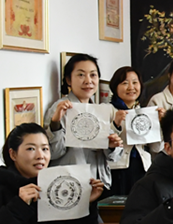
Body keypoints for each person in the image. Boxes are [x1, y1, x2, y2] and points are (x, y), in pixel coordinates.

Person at [44, 53, 123, 190]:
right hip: (71, 186)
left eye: (93, 75)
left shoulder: (98, 110)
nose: (88, 81)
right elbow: (54, 153)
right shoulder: (60, 108)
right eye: (81, 75)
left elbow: (114, 157)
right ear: (68, 80)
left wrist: (111, 145)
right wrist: (55, 123)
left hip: (98, 183)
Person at [106, 66, 152, 197]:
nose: (131, 87)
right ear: (115, 87)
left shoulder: (144, 111)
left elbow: (155, 147)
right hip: (118, 169)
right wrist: (115, 124)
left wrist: (160, 125)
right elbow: (101, 142)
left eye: (135, 82)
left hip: (142, 167)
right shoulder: (108, 109)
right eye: (125, 83)